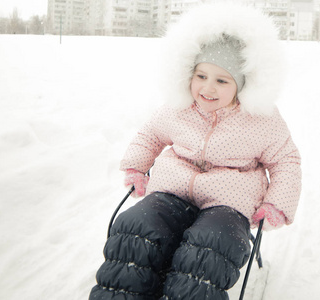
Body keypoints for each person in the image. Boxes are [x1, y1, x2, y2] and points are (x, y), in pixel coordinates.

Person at [89, 3, 301, 300]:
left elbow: (286, 161)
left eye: (222, 80)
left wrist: (277, 203)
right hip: (171, 193)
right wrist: (137, 167)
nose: (208, 88)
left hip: (228, 203)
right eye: (201, 76)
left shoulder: (260, 117)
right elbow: (150, 134)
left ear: (241, 86)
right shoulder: (179, 107)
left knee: (210, 245)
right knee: (138, 226)